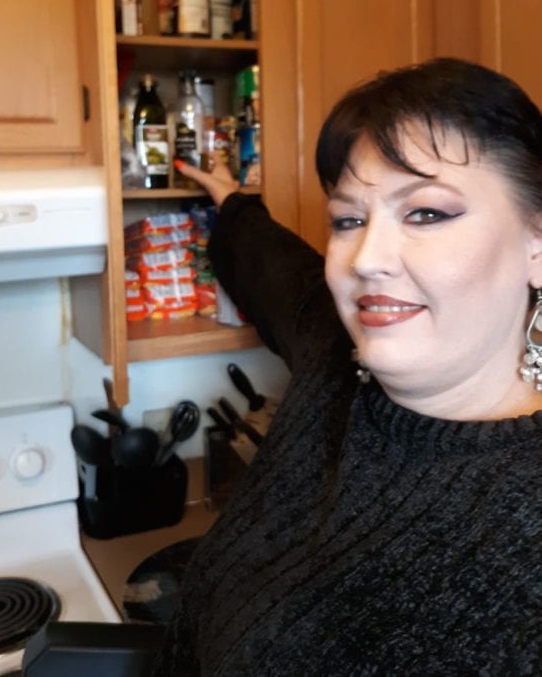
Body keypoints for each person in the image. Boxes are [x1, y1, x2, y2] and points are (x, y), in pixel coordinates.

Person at [151, 58, 542, 676]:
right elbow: (273, 266)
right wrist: (228, 197)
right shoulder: (336, 357)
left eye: (427, 213)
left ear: (536, 246)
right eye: (349, 220)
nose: (366, 258)